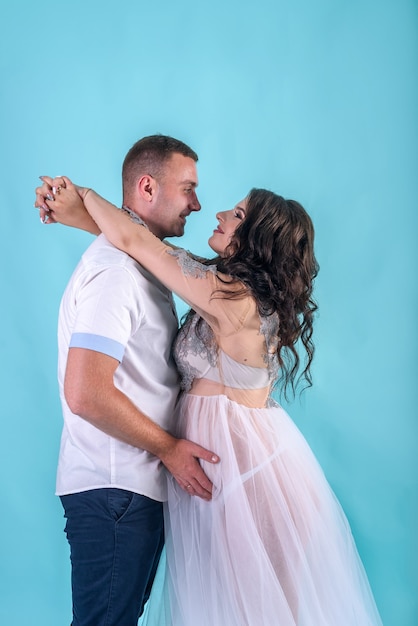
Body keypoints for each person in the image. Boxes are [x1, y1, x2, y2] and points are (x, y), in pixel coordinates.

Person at [38, 177, 383, 625]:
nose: (218, 214)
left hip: (245, 479)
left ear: (254, 241)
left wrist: (79, 192)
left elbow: (134, 241)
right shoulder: (223, 286)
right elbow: (145, 249)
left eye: (236, 215)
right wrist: (78, 216)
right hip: (226, 471)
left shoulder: (233, 300)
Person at [34, 136, 220, 626]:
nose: (197, 205)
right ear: (147, 187)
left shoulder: (142, 264)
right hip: (116, 490)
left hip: (128, 491)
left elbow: (134, 238)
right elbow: (86, 392)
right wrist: (168, 448)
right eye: (188, 189)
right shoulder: (117, 272)